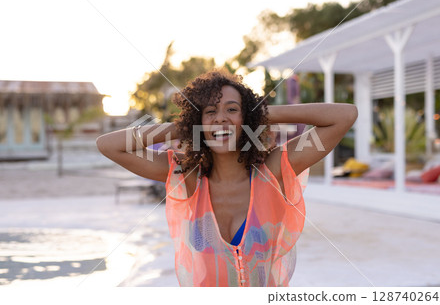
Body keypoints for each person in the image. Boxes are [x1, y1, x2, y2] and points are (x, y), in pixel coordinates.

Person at [96, 69, 358, 287]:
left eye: (232, 109)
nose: (220, 118)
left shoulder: (273, 170)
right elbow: (108, 144)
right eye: (209, 111)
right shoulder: (187, 178)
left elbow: (344, 116)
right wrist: (186, 126)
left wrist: (258, 114)